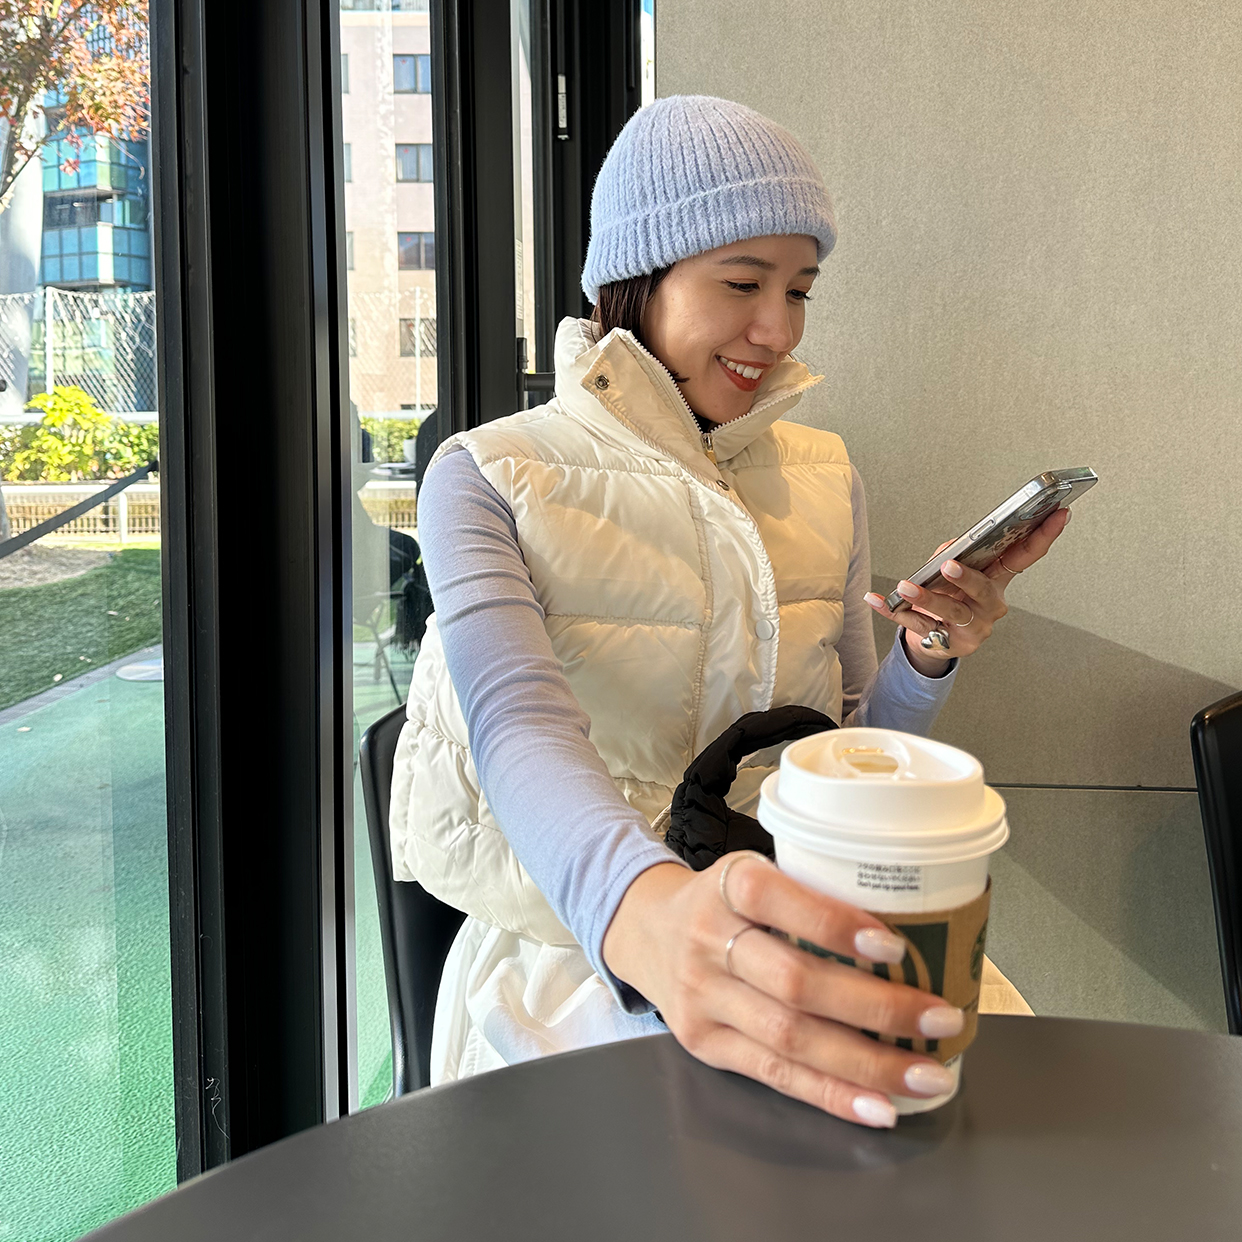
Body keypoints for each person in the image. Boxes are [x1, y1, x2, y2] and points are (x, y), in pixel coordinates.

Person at [390, 96, 1068, 1128]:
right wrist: (652, 917)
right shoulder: (489, 474)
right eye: (743, 284)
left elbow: (839, 754)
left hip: (792, 919)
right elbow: (516, 726)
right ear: (638, 280)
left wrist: (928, 652)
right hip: (576, 949)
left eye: (800, 290)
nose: (778, 329)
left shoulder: (826, 472)